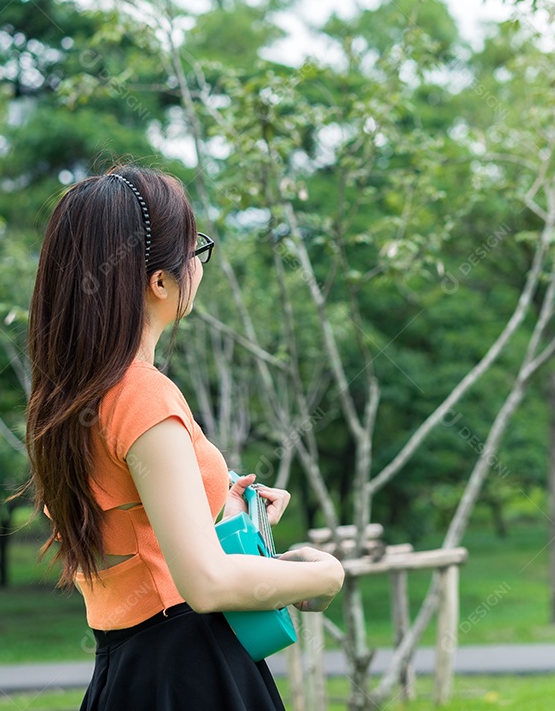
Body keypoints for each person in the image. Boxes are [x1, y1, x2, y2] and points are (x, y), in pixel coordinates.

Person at [21, 165, 344, 710]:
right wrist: (323, 575)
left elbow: (130, 534)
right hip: (192, 672)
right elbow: (206, 585)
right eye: (196, 250)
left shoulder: (68, 397)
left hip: (126, 671)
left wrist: (228, 512)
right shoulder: (142, 395)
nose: (199, 265)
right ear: (161, 281)